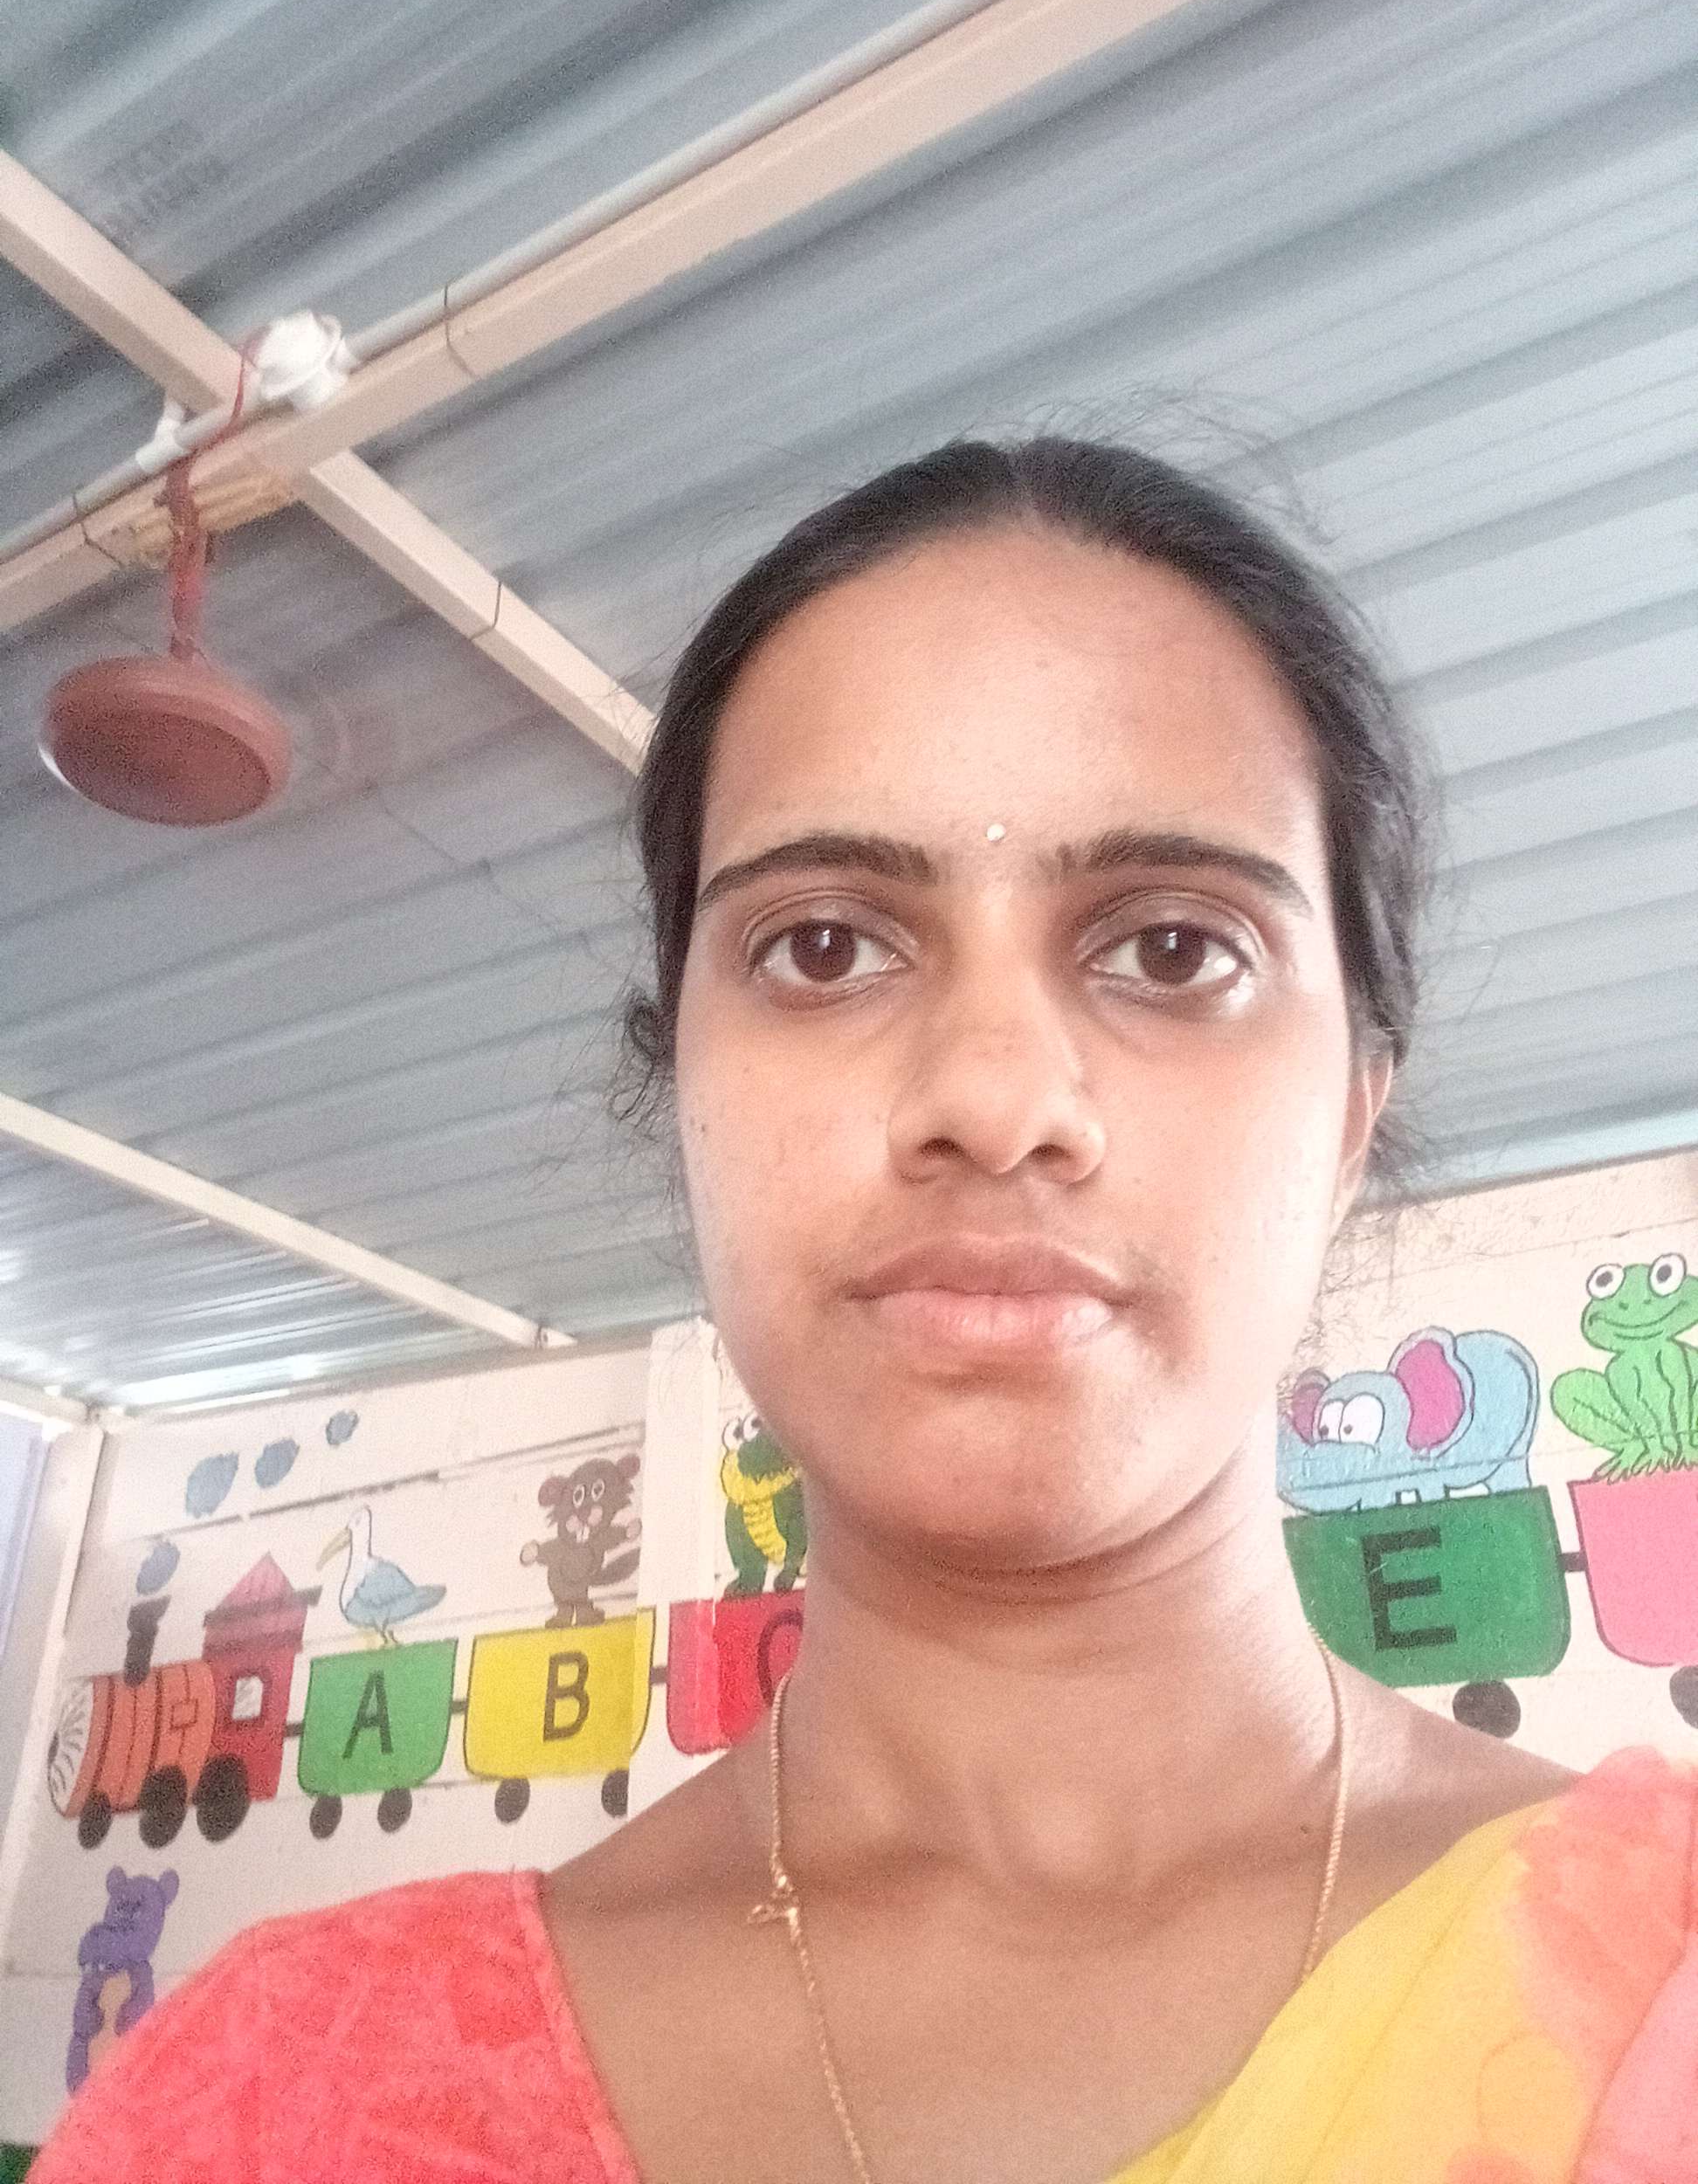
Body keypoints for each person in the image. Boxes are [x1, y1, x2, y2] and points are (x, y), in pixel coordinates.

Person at [33, 439, 1695, 2183]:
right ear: (683, 1086)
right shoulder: (281, 2103)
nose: (994, 1095)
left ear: (1350, 1118)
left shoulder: (1660, 1984)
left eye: (1174, 947)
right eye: (824, 945)